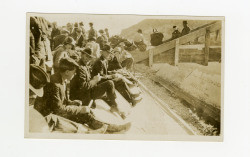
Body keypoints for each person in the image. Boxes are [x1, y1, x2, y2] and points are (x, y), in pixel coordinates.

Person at [34, 57, 130, 132]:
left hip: (54, 110)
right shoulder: (55, 84)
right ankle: (111, 128)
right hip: (47, 117)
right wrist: (80, 109)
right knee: (85, 114)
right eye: (74, 72)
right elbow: (58, 109)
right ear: (67, 72)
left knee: (86, 111)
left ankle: (105, 126)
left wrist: (72, 102)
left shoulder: (61, 79)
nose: (75, 75)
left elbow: (61, 101)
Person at [70, 48, 125, 118]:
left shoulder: (84, 65)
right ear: (82, 55)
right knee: (109, 83)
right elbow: (83, 86)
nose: (88, 59)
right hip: (80, 96)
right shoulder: (80, 67)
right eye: (87, 56)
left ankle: (115, 106)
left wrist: (94, 80)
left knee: (106, 93)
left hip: (84, 92)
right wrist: (95, 80)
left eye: (90, 57)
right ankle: (115, 107)